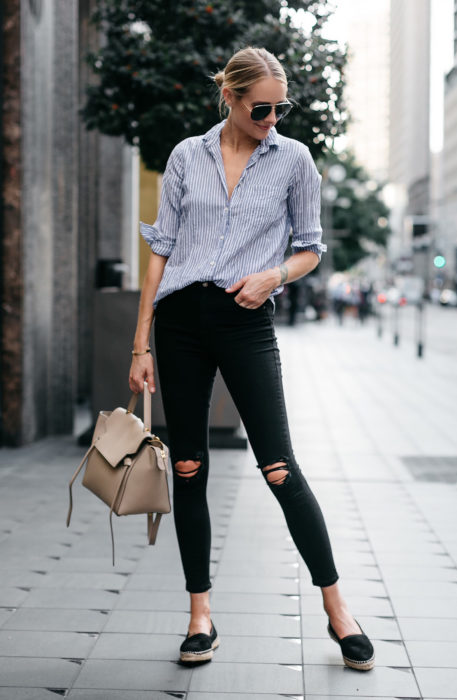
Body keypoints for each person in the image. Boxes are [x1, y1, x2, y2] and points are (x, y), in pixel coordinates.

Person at [130, 47, 375, 671]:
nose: (270, 118)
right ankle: (199, 616)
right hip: (181, 322)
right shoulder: (188, 155)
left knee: (278, 467)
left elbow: (310, 248)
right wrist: (140, 343)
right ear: (231, 100)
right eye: (259, 108)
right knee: (187, 466)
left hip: (246, 322)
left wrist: (273, 277)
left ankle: (338, 610)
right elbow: (161, 250)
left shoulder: (294, 160)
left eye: (279, 108)